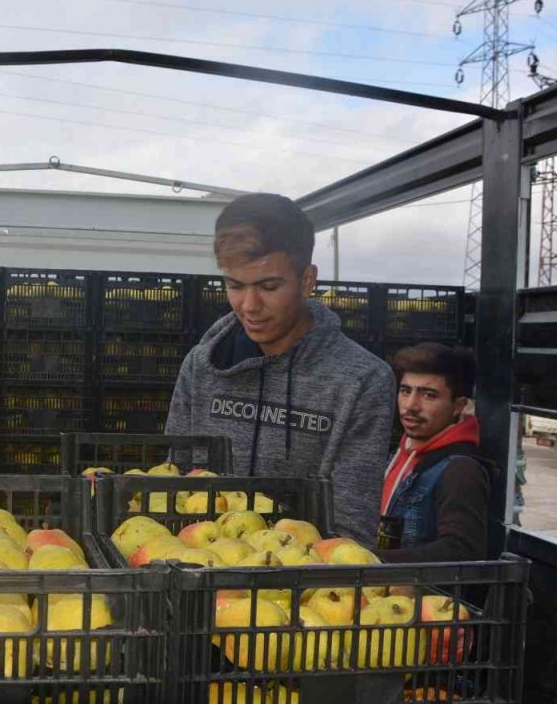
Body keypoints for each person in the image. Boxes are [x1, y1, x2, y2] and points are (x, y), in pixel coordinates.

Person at [166, 193, 396, 542]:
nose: (249, 305)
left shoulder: (362, 380)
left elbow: (350, 524)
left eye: (269, 286)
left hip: (302, 573)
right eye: (234, 285)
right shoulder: (202, 365)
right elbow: (172, 487)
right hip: (198, 564)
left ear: (307, 280)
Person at [377, 342, 489, 562]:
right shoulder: (400, 453)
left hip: (410, 585)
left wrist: (371, 561)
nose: (411, 405)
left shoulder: (461, 470)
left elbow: (462, 552)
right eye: (405, 391)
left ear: (458, 405)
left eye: (428, 395)